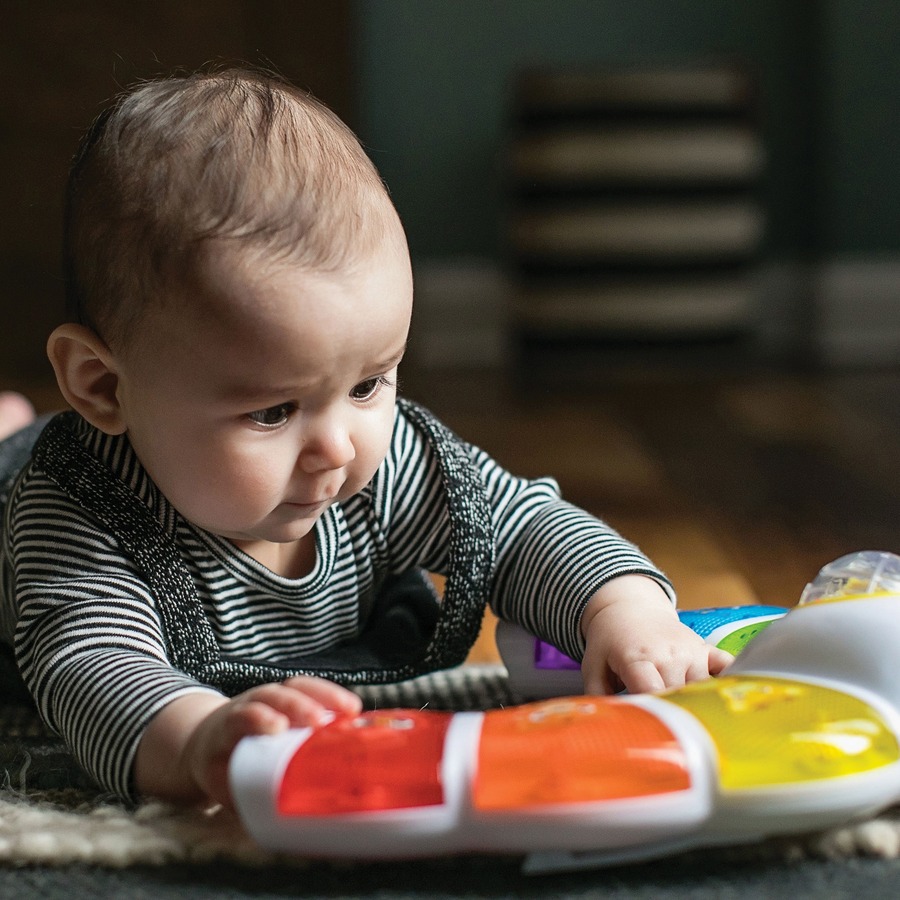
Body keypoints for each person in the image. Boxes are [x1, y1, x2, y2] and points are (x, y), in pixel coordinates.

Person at [0, 68, 731, 809]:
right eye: (273, 412)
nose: (339, 448)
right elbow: (93, 670)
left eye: (367, 385)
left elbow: (523, 529)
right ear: (101, 385)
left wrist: (624, 610)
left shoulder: (380, 468)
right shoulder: (76, 515)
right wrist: (200, 741)